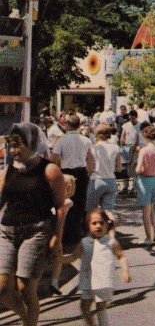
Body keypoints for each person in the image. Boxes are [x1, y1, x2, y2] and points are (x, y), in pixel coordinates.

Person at [0, 123, 67, 326]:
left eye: (18, 145)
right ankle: (25, 317)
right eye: (11, 146)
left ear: (32, 143)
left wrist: (57, 237)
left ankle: (30, 323)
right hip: (7, 232)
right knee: (2, 289)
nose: (13, 151)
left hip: (35, 232)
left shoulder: (49, 170)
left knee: (25, 287)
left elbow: (61, 207)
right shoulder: (7, 171)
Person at [64, 209, 131, 326]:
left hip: (103, 281)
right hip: (88, 281)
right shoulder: (84, 243)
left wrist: (125, 271)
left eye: (101, 223)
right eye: (94, 223)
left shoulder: (111, 242)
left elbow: (121, 256)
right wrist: (60, 258)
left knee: (101, 308)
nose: (98, 226)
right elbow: (73, 257)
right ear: (89, 226)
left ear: (107, 224)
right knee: (84, 308)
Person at [52, 114, 95, 248]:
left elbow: (55, 158)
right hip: (81, 172)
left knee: (65, 203)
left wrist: (58, 173)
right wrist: (89, 172)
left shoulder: (61, 140)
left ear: (67, 125)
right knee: (80, 203)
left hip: (66, 173)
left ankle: (65, 235)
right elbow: (90, 158)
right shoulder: (86, 140)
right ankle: (76, 234)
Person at [135, 126, 155, 246]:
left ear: (145, 136)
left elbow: (138, 169)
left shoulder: (143, 151)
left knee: (145, 211)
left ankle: (148, 237)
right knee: (152, 209)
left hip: (145, 180)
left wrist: (136, 168)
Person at [50, 175, 76, 295]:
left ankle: (54, 282)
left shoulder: (67, 202)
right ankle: (53, 281)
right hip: (51, 232)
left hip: (57, 232)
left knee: (58, 257)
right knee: (56, 256)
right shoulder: (55, 199)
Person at [87, 124, 121, 217]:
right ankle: (110, 230)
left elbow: (90, 169)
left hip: (96, 180)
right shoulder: (115, 147)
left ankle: (91, 231)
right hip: (111, 180)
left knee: (91, 209)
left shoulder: (92, 148)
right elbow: (119, 168)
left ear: (96, 134)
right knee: (108, 210)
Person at [118, 110, 140, 196]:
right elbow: (122, 136)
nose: (131, 120)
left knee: (134, 168)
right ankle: (125, 187)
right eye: (130, 118)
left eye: (133, 118)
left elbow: (140, 138)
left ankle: (134, 187)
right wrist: (121, 146)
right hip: (126, 148)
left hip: (135, 149)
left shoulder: (140, 125)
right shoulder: (126, 125)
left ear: (136, 117)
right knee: (125, 167)